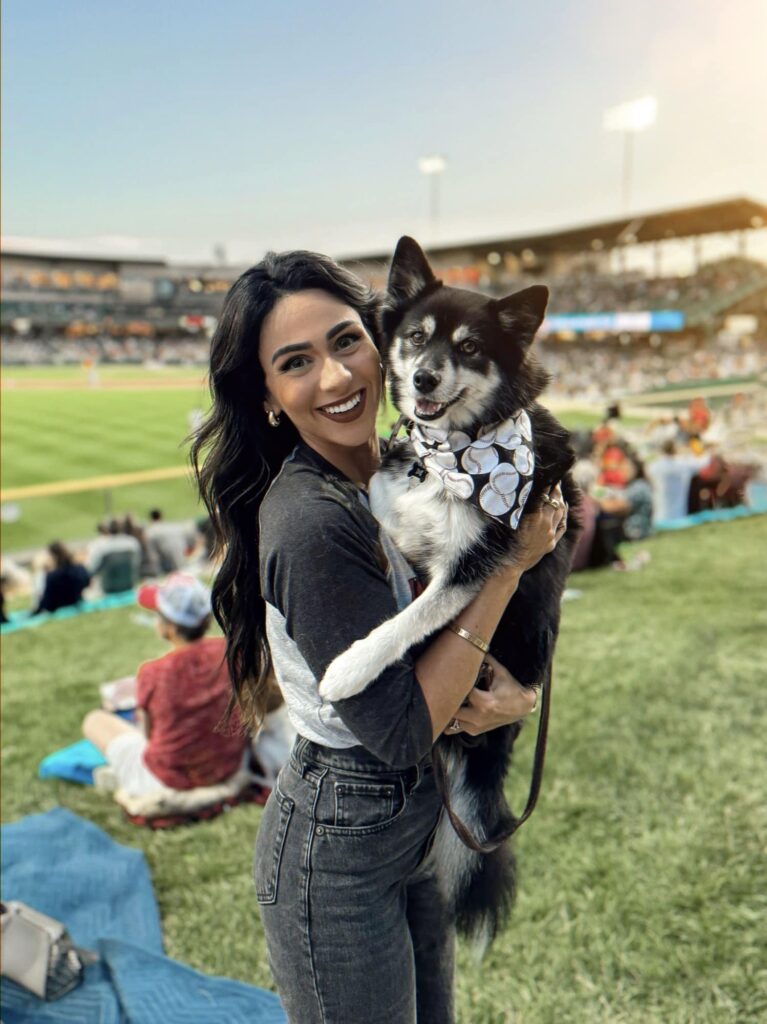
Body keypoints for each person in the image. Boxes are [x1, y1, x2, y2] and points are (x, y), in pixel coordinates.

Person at [191, 250, 568, 1024]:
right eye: (296, 362)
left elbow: (477, 636)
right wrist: (510, 562)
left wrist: (514, 697)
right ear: (266, 395)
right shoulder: (309, 523)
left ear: (379, 336)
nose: (334, 377)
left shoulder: (418, 460)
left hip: (418, 815)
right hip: (339, 838)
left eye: (344, 341)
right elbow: (398, 730)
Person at [82, 574, 247, 796]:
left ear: (168, 626)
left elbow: (148, 736)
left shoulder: (154, 673)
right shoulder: (229, 653)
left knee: (95, 720)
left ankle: (123, 776)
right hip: (227, 764)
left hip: (170, 778)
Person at [32, 541, 91, 615]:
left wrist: (36, 611)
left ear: (52, 556)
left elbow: (47, 599)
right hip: (77, 601)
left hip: (60, 606)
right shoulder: (79, 568)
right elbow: (87, 583)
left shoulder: (52, 576)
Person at [87, 519, 142, 594]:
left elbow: (93, 569)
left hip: (110, 587)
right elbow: (137, 562)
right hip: (130, 583)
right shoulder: (132, 542)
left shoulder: (101, 547)